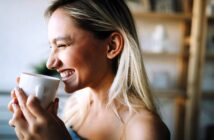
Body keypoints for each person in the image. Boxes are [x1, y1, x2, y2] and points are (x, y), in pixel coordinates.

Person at [8, 0, 170, 139]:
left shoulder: (144, 129)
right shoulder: (74, 107)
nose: (50, 63)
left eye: (62, 45)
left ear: (112, 46)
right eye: (52, 47)